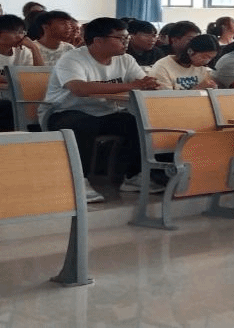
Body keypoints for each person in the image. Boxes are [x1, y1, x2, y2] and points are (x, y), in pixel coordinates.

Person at [42, 17, 161, 198]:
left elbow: (141, 83)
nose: (125, 42)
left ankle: (132, 177)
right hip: (63, 111)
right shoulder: (72, 58)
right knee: (83, 125)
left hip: (106, 112)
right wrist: (132, 85)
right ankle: (78, 182)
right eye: (120, 38)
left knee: (137, 123)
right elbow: (79, 89)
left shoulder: (126, 59)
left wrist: (149, 84)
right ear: (98, 40)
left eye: (127, 38)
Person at [148, 34, 219, 90]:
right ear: (190, 51)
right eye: (204, 57)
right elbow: (166, 99)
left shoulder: (202, 68)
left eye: (211, 58)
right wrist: (198, 88)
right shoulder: (163, 67)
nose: (207, 61)